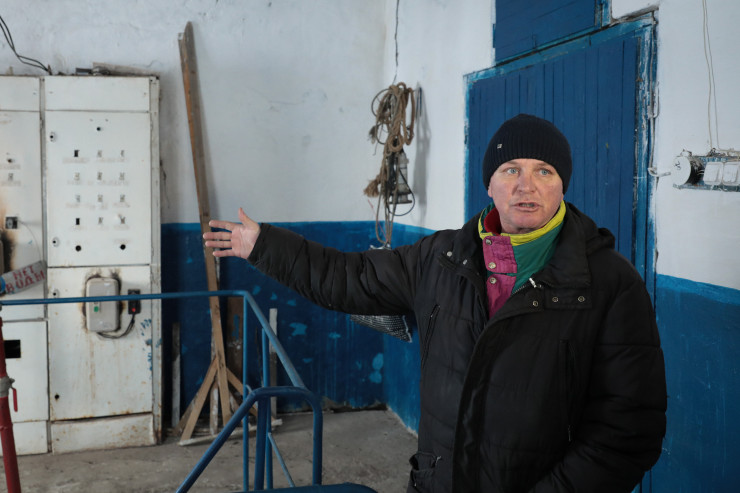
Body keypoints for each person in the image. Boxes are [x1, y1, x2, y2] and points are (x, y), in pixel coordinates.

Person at [204, 114, 667, 492]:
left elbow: (627, 431)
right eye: (511, 170)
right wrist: (264, 246)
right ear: (490, 184)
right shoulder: (441, 258)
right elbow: (348, 277)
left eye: (543, 171)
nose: (526, 185)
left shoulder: (609, 283)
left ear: (562, 185)